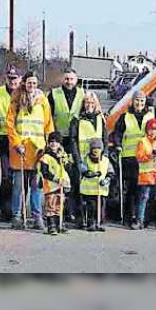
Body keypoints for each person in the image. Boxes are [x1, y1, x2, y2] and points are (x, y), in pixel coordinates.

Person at [6, 72, 53, 230]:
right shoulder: (16, 100)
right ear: (24, 83)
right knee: (18, 187)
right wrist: (17, 143)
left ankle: (37, 215)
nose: (31, 85)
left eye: (34, 83)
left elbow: (48, 125)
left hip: (38, 151)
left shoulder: (43, 101)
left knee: (36, 186)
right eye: (29, 82)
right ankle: (17, 215)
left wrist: (48, 147)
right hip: (21, 150)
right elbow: (10, 125)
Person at [109, 90, 154, 227]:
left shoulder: (150, 116)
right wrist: (117, 145)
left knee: (144, 189)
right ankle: (128, 216)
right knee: (131, 190)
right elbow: (118, 133)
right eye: (137, 101)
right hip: (129, 157)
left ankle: (142, 217)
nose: (139, 103)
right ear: (132, 102)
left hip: (145, 157)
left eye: (141, 101)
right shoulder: (125, 117)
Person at [69, 91, 106, 229]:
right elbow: (73, 140)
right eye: (87, 102)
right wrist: (77, 159)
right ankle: (80, 219)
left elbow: (105, 139)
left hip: (97, 160)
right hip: (82, 160)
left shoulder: (100, 119)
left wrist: (105, 155)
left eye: (92, 102)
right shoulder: (77, 120)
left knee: (97, 191)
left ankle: (96, 219)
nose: (89, 105)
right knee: (79, 191)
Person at [0, 66, 22, 222]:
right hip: (5, 138)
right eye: (10, 78)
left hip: (20, 139)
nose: (13, 81)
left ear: (20, 79)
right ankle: (5, 211)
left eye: (15, 78)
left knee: (20, 178)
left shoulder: (25, 93)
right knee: (5, 177)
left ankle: (18, 210)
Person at [134, 117, 156, 230]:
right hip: (146, 175)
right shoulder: (142, 142)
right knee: (144, 197)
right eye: (151, 129)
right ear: (147, 130)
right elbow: (139, 157)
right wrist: (150, 155)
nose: (153, 131)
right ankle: (140, 220)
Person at [37, 132, 72, 234]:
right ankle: (51, 225)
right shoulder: (46, 157)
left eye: (56, 142)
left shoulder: (63, 156)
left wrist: (65, 161)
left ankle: (59, 223)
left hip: (61, 184)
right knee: (51, 204)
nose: (53, 144)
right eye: (51, 142)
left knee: (60, 203)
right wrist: (56, 179)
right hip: (51, 185)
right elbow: (45, 172)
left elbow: (68, 168)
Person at [79, 137, 112, 231]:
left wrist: (106, 180)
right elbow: (83, 169)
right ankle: (91, 222)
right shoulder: (87, 159)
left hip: (101, 189)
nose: (96, 150)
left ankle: (99, 222)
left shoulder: (105, 160)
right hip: (89, 189)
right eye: (94, 148)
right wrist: (90, 174)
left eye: (98, 148)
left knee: (101, 206)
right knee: (91, 206)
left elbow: (110, 172)